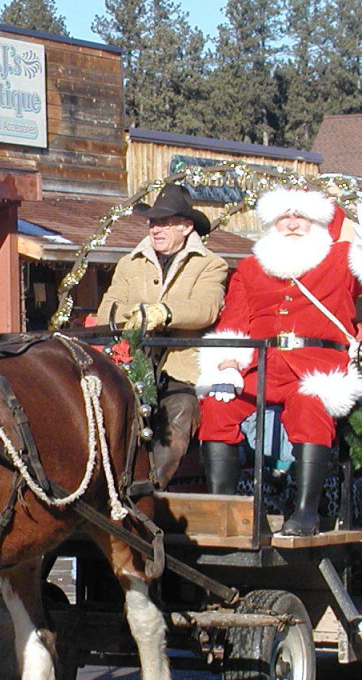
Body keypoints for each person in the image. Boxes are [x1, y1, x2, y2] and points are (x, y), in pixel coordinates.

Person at [196, 189, 362, 535]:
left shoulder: (340, 259)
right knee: (217, 405)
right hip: (262, 366)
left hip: (318, 364)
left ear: (318, 223)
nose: (293, 224)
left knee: (309, 405)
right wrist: (227, 366)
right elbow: (233, 323)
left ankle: (305, 512)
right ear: (272, 223)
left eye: (302, 217)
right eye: (285, 217)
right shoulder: (251, 267)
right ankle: (222, 508)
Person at [95, 183, 229, 492]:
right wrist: (140, 314)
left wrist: (165, 313)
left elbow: (205, 308)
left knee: (179, 414)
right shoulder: (129, 263)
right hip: (129, 365)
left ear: (186, 226)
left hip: (180, 371)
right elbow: (106, 313)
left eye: (165, 222)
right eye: (153, 222)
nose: (156, 229)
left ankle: (147, 492)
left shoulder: (210, 264)